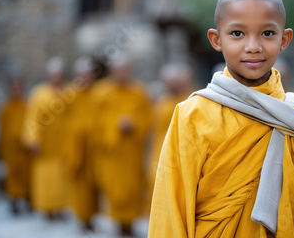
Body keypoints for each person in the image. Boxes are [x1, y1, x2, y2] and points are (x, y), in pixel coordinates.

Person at [149, 0, 294, 237]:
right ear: (216, 39)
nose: (253, 46)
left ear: (284, 39)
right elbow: (171, 207)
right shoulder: (193, 115)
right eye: (237, 34)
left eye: (267, 34)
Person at [92, 54, 152, 236]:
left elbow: (148, 118)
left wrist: (134, 124)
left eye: (125, 70)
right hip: (111, 152)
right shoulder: (100, 93)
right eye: (118, 71)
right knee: (114, 188)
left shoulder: (139, 91)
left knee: (133, 188)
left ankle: (130, 224)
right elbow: (94, 122)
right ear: (111, 71)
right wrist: (114, 126)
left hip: (132, 151)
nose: (122, 74)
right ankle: (118, 223)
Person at [22, 56, 70, 219]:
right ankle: (47, 210)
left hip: (62, 146)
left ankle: (60, 208)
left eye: (59, 74)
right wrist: (32, 139)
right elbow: (31, 118)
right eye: (53, 74)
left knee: (61, 179)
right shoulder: (39, 93)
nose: (56, 78)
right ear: (49, 75)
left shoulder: (68, 92)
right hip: (44, 147)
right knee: (45, 179)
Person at [146, 63, 195, 214]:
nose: (173, 85)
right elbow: (151, 128)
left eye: (177, 82)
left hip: (187, 150)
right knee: (159, 183)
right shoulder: (161, 103)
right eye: (170, 82)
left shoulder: (193, 100)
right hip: (161, 150)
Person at [63, 56, 100, 232]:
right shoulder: (69, 94)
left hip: (94, 148)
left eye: (88, 75)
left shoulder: (99, 93)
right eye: (81, 75)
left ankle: (91, 218)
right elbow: (61, 121)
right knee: (79, 185)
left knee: (92, 186)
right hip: (76, 147)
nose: (85, 79)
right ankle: (81, 218)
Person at [0, 79, 31, 214]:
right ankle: (14, 201)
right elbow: (2, 129)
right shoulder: (5, 107)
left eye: (19, 88)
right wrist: (2, 148)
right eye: (14, 88)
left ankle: (30, 200)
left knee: (27, 174)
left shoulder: (27, 105)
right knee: (12, 175)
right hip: (11, 148)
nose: (16, 91)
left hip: (25, 148)